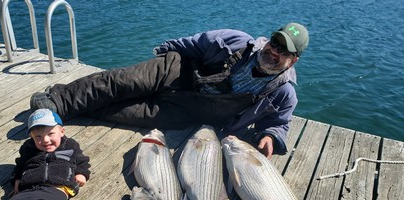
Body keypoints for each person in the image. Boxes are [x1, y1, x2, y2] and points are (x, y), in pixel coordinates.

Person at [30, 22, 308, 159]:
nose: (274, 51)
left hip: (188, 113)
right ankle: (57, 102)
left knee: (127, 113)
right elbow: (195, 43)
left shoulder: (283, 93)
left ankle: (73, 109)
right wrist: (163, 57)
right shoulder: (238, 42)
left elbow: (279, 122)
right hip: (180, 70)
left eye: (284, 51)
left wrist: (271, 135)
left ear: (293, 60)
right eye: (275, 42)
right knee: (122, 83)